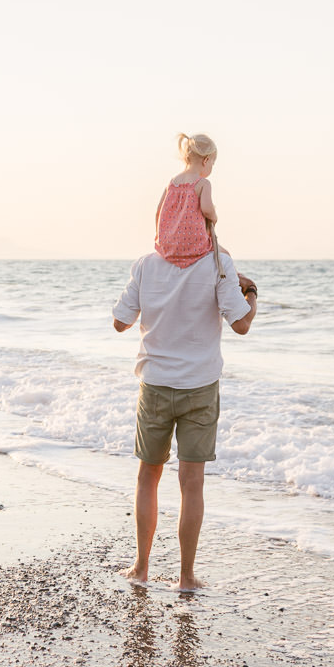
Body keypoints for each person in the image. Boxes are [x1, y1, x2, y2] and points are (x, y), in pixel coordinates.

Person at [112, 238, 258, 591]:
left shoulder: (147, 264)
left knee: (148, 476)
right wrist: (250, 290)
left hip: (156, 384)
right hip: (200, 386)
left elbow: (120, 322)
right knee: (192, 482)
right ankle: (186, 577)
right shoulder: (219, 263)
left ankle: (141, 568)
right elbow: (242, 324)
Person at [154, 133, 220, 268]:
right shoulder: (202, 183)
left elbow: (158, 212)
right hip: (194, 245)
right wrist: (215, 217)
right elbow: (207, 210)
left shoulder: (172, 183)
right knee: (225, 255)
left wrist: (161, 238)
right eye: (213, 164)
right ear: (206, 160)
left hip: (168, 245)